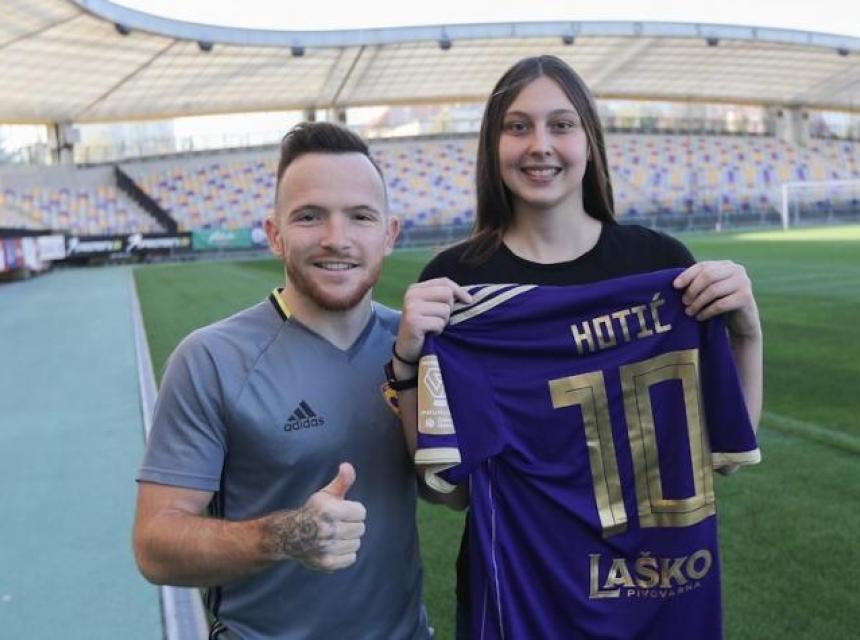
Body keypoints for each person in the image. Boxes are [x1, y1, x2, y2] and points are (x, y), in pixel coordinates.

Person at [388, 55, 763, 638]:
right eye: (518, 127)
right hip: (517, 590)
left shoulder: (660, 266)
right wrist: (409, 363)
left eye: (561, 125)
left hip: (652, 589)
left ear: (590, 140)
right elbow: (451, 492)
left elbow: (724, 445)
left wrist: (746, 333)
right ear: (492, 145)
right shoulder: (458, 285)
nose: (540, 145)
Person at [133, 122, 430, 640]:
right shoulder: (210, 360)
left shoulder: (419, 350)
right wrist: (284, 536)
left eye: (360, 216)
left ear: (389, 233)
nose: (336, 239)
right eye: (310, 216)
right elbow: (155, 546)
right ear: (275, 234)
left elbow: (454, 491)